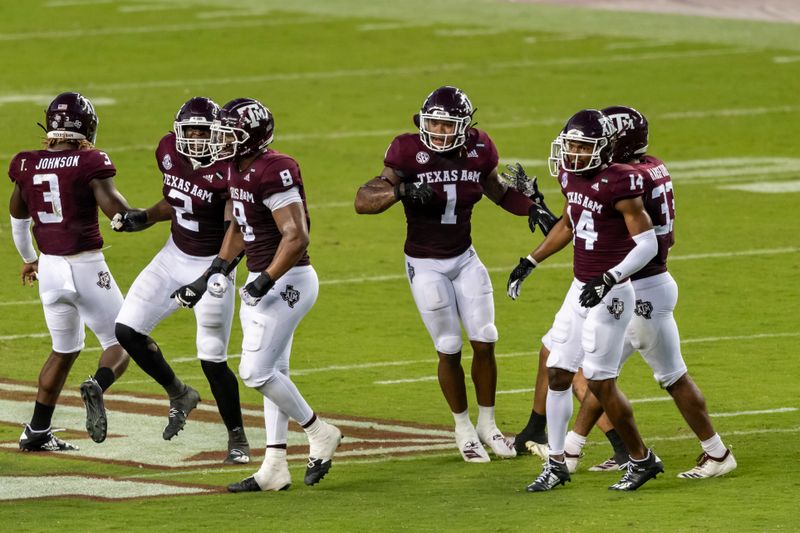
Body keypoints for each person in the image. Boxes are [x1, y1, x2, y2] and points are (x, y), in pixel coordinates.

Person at [354, 86, 547, 463]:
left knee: (486, 338)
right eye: (434, 123)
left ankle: (488, 425)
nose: (440, 132)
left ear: (464, 127)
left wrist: (532, 208)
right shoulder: (406, 151)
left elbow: (498, 190)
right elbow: (364, 201)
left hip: (464, 257)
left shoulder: (480, 148)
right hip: (425, 262)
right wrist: (401, 192)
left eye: (448, 125)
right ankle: (462, 428)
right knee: (448, 345)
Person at [560, 106, 736, 479]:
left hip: (641, 286)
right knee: (598, 375)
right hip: (640, 284)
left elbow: (611, 226)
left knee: (671, 377)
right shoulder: (650, 165)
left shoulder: (625, 180)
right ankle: (571, 451)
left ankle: (717, 453)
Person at [506, 108, 663, 491]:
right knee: (559, 370)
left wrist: (610, 277)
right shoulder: (569, 175)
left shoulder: (622, 183)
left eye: (581, 146)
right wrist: (531, 260)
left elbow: (647, 244)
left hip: (611, 292)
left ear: (604, 148)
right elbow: (569, 223)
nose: (572, 154)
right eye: (570, 145)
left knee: (599, 382)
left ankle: (642, 459)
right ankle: (557, 463)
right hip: (579, 287)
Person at [203, 98, 341, 492]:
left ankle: (319, 431)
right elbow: (238, 226)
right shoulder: (236, 168)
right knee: (274, 371)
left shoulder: (274, 169)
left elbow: (296, 236)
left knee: (255, 371)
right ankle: (275, 466)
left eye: (229, 133)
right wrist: (219, 266)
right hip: (262, 278)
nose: (220, 140)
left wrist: (265, 280)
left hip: (290, 279)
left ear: (251, 138)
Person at [111, 97, 251, 464]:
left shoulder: (229, 170)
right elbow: (176, 199)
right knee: (126, 330)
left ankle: (237, 436)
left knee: (212, 357)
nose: (193, 138)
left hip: (215, 260)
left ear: (218, 134)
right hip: (174, 254)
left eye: (202, 131)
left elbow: (236, 234)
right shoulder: (168, 151)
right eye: (188, 130)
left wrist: (208, 279)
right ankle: (178, 393)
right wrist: (142, 217)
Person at [9, 92, 131, 450]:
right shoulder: (89, 161)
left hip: (49, 269)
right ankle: (98, 385)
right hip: (85, 266)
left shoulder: (26, 164)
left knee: (63, 349)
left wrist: (30, 258)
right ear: (88, 126)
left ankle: (36, 431)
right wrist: (143, 217)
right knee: (123, 339)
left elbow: (18, 220)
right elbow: (116, 210)